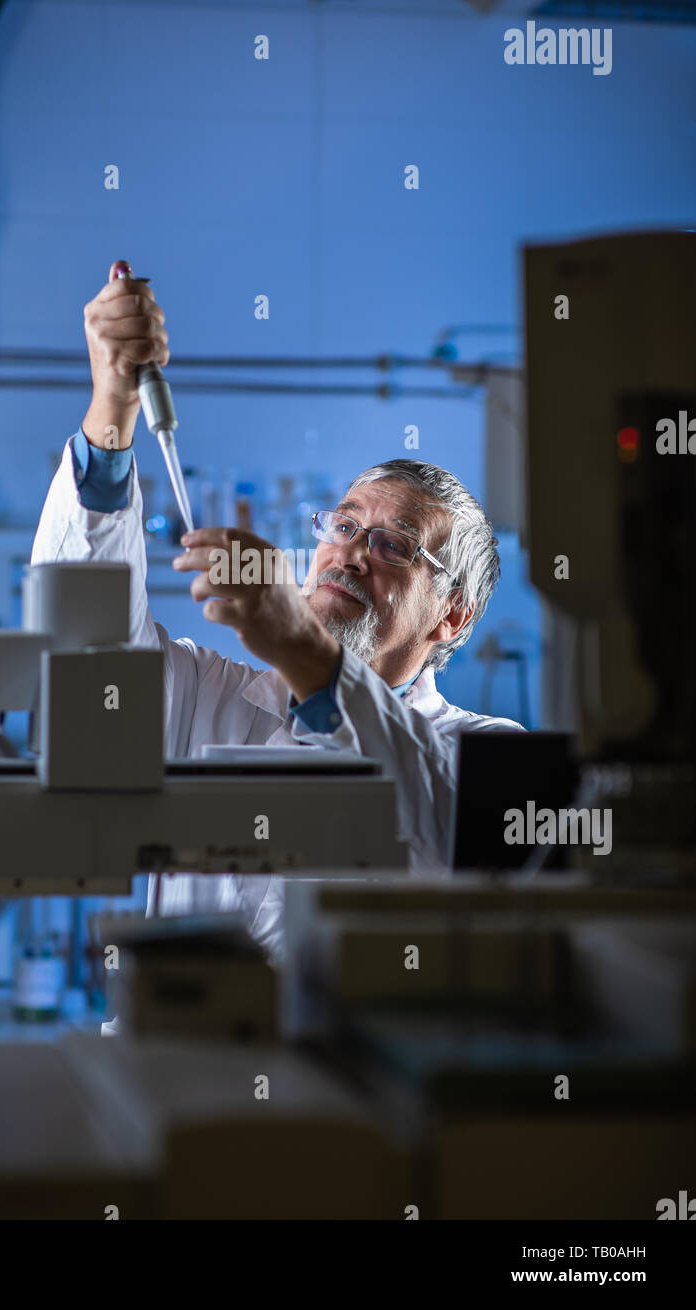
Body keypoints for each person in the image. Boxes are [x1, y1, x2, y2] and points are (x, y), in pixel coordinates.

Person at [31, 261, 522, 962]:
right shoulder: (204, 698)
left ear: (452, 618)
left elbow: (443, 823)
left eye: (394, 546)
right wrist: (112, 411)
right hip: (181, 1064)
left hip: (363, 1070)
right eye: (344, 527)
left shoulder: (483, 753)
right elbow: (82, 636)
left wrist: (302, 648)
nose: (351, 554)